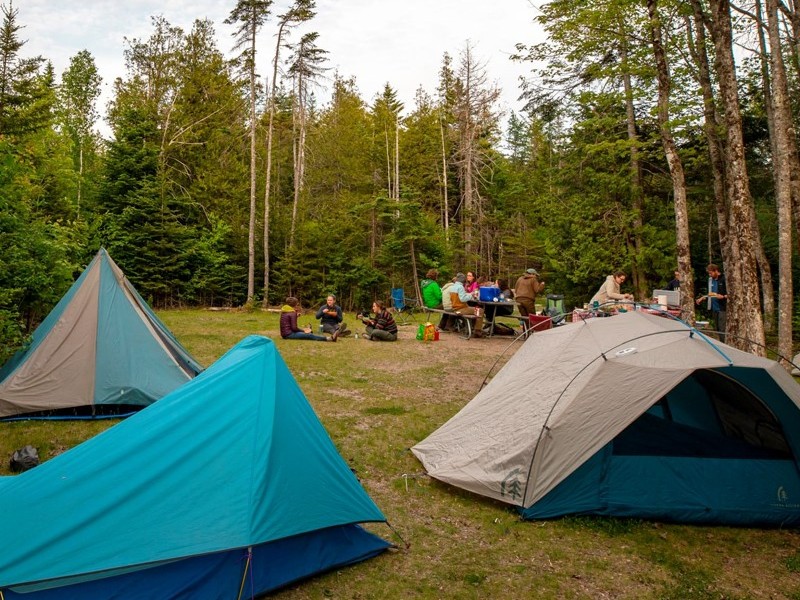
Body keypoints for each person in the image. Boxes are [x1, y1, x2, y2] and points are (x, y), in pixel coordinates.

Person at [695, 263, 727, 343]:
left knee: (722, 329)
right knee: (717, 329)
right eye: (709, 273)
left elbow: (732, 294)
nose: (710, 275)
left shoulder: (724, 279)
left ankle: (724, 345)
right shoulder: (710, 280)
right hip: (714, 308)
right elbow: (711, 293)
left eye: (711, 273)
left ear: (716, 271)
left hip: (722, 308)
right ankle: (720, 343)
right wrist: (703, 298)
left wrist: (723, 296)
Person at [450, 272, 484, 337]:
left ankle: (472, 328)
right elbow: (463, 299)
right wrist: (471, 295)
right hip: (461, 308)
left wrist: (469, 294)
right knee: (480, 310)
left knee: (475, 310)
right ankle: (477, 331)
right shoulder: (460, 287)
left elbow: (461, 296)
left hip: (455, 307)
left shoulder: (453, 286)